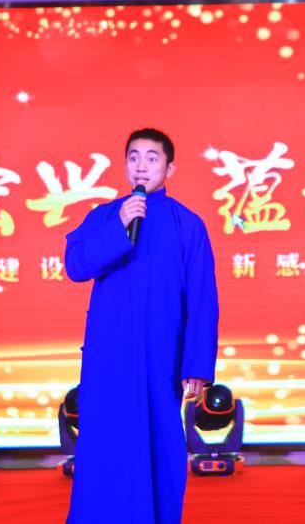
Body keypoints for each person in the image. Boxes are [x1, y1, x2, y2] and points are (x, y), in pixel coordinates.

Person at [65, 128, 219, 524]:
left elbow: (202, 299)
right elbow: (76, 266)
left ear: (170, 168)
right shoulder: (104, 216)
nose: (142, 166)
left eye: (152, 158)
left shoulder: (188, 224)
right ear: (125, 165)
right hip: (108, 357)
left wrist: (197, 365)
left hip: (161, 357)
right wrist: (119, 224)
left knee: (160, 446)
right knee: (105, 445)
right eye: (134, 157)